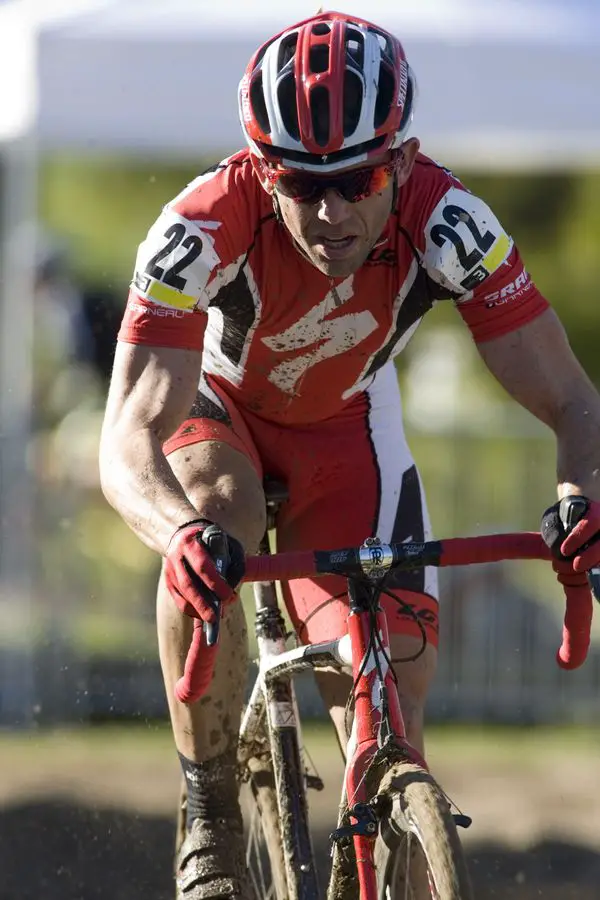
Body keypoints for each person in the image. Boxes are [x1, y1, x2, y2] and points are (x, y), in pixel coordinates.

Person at [99, 11, 600, 899]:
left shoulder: (449, 222)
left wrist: (584, 495)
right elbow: (128, 439)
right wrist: (178, 534)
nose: (330, 212)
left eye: (358, 178)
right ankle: (209, 808)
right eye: (299, 182)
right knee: (220, 509)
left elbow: (572, 400)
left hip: (346, 431)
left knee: (393, 719)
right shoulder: (199, 226)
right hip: (218, 413)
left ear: (401, 161)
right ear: (261, 169)